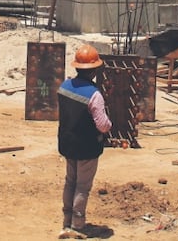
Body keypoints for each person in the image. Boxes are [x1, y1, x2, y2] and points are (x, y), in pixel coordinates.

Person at [58, 45, 112, 239]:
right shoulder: (94, 95)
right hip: (87, 147)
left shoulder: (64, 86)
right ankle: (78, 224)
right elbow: (103, 125)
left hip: (67, 143)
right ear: (95, 70)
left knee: (70, 181)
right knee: (82, 186)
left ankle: (67, 220)